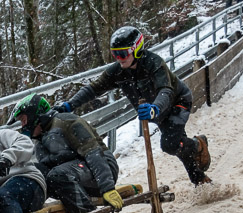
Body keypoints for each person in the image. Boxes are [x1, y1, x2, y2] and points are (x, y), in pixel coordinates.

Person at [54, 26, 212, 185]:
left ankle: (198, 144)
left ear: (136, 50)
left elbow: (166, 90)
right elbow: (94, 88)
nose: (119, 58)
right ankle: (200, 180)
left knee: (170, 143)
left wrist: (154, 108)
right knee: (177, 143)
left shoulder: (153, 63)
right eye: (115, 54)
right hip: (155, 112)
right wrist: (70, 105)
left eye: (123, 53)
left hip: (176, 103)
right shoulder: (118, 71)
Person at [8, 93, 123, 213]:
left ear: (34, 115)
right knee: (33, 172)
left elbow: (93, 153)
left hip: (101, 170)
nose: (23, 126)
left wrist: (107, 187)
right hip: (71, 176)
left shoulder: (67, 122)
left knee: (58, 175)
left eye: (23, 120)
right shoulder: (40, 140)